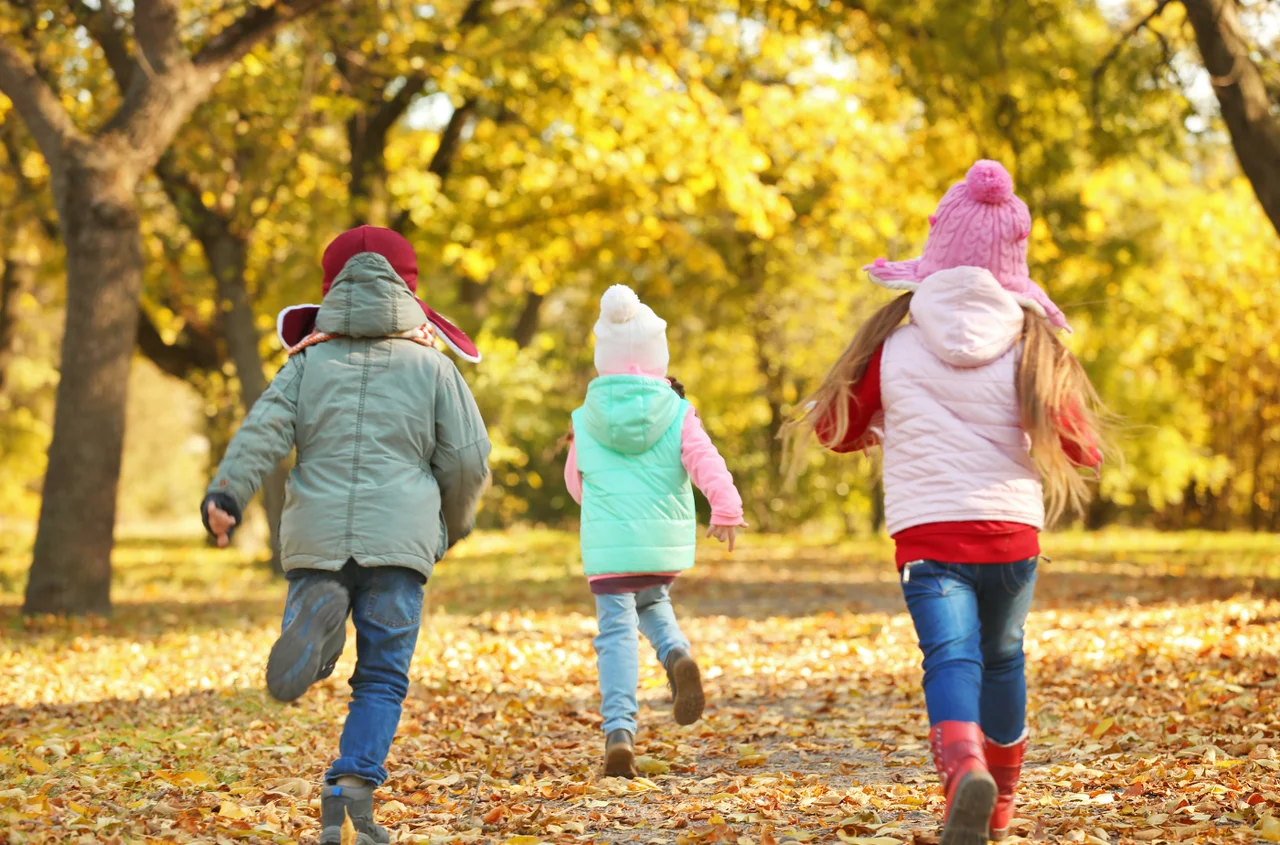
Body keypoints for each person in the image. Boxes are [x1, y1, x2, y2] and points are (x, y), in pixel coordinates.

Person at [787, 161, 1107, 845]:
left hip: (929, 533)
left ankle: (964, 774)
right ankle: (1000, 805)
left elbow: (833, 429)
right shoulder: (1030, 343)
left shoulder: (894, 341)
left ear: (935, 255)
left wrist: (881, 421)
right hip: (1012, 534)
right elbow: (1082, 445)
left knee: (951, 657)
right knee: (1004, 656)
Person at [201, 225, 491, 845]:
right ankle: (352, 782)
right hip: (400, 542)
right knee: (383, 676)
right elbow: (467, 462)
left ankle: (318, 626)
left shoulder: (307, 362)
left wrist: (226, 495)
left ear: (329, 288)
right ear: (409, 287)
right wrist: (449, 527)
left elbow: (263, 433)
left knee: (321, 607)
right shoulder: (434, 368)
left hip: (317, 537)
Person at [564, 284, 747, 777]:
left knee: (616, 631)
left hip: (608, 545)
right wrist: (726, 508)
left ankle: (619, 733)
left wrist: (605, 506)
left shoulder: (585, 417)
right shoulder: (678, 411)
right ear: (657, 355)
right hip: (660, 541)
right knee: (653, 602)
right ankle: (677, 654)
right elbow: (704, 460)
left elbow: (575, 484)